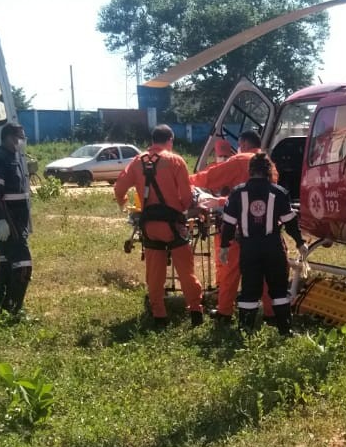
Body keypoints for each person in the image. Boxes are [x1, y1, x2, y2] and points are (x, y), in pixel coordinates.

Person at [113, 124, 204, 328]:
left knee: (154, 273)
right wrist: (184, 210)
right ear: (170, 140)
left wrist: (123, 203)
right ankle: (196, 311)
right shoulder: (175, 161)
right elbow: (187, 197)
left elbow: (119, 188)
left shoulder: (137, 162)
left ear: (153, 140)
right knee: (185, 271)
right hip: (173, 226)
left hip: (150, 226)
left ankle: (159, 315)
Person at [191, 129, 278, 325]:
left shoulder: (240, 161)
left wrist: (186, 181)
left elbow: (210, 178)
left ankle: (225, 312)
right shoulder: (270, 165)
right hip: (266, 230)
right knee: (266, 273)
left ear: (244, 144)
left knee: (231, 270)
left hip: (241, 229)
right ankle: (271, 314)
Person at [219, 152, 303, 335]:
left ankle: (245, 330)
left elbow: (228, 224)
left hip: (249, 248)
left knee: (249, 288)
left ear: (250, 170)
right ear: (269, 170)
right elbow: (290, 223)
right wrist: (300, 242)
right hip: (273, 247)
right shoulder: (279, 192)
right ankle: (285, 330)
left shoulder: (237, 193)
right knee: (279, 289)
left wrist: (224, 246)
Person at [0, 122, 33, 316]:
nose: (22, 141)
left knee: (6, 261)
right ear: (9, 138)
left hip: (19, 219)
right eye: (20, 137)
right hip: (7, 219)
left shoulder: (16, 156)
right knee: (23, 264)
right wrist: (0, 219)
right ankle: (13, 310)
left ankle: (3, 308)